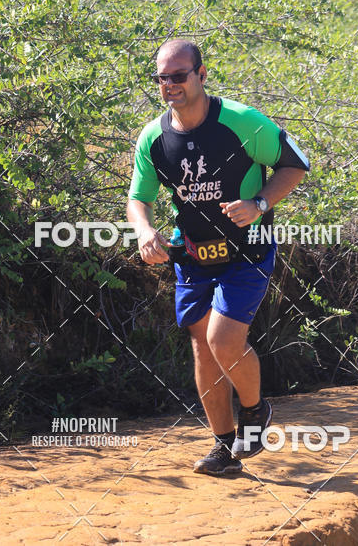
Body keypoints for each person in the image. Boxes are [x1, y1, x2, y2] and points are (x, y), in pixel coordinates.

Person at [127, 39, 309, 476]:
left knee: (222, 340)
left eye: (178, 75)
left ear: (201, 75)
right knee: (203, 351)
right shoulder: (154, 138)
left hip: (247, 252)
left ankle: (254, 410)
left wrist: (260, 204)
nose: (169, 85)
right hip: (192, 256)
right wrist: (144, 231)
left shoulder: (242, 122)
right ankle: (225, 449)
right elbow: (138, 198)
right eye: (161, 77)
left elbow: (296, 163)